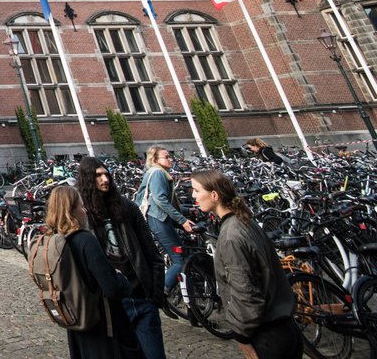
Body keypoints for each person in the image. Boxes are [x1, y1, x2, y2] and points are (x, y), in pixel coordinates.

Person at [190, 169, 299, 359]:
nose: (193, 196)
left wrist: (242, 335)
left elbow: (244, 290)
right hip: (284, 325)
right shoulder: (245, 220)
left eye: (196, 190)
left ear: (214, 195)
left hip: (267, 334)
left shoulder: (231, 236)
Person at [78, 157, 168, 359]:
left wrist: (154, 295)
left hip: (142, 298)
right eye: (98, 175)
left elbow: (152, 253)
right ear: (87, 180)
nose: (104, 179)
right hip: (113, 305)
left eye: (106, 174)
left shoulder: (127, 208)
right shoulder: (84, 217)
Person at [43, 184, 145, 359]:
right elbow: (111, 287)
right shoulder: (84, 240)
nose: (85, 211)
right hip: (102, 322)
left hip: (77, 321)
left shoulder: (52, 241)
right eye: (81, 207)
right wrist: (121, 279)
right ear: (72, 211)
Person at [135, 145, 195, 299]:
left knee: (178, 254)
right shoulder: (157, 174)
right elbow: (160, 199)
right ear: (155, 160)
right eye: (166, 157)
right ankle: (162, 291)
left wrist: (186, 210)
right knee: (179, 260)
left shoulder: (156, 172)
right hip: (158, 219)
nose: (170, 159)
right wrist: (182, 220)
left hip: (158, 218)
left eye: (170, 156)